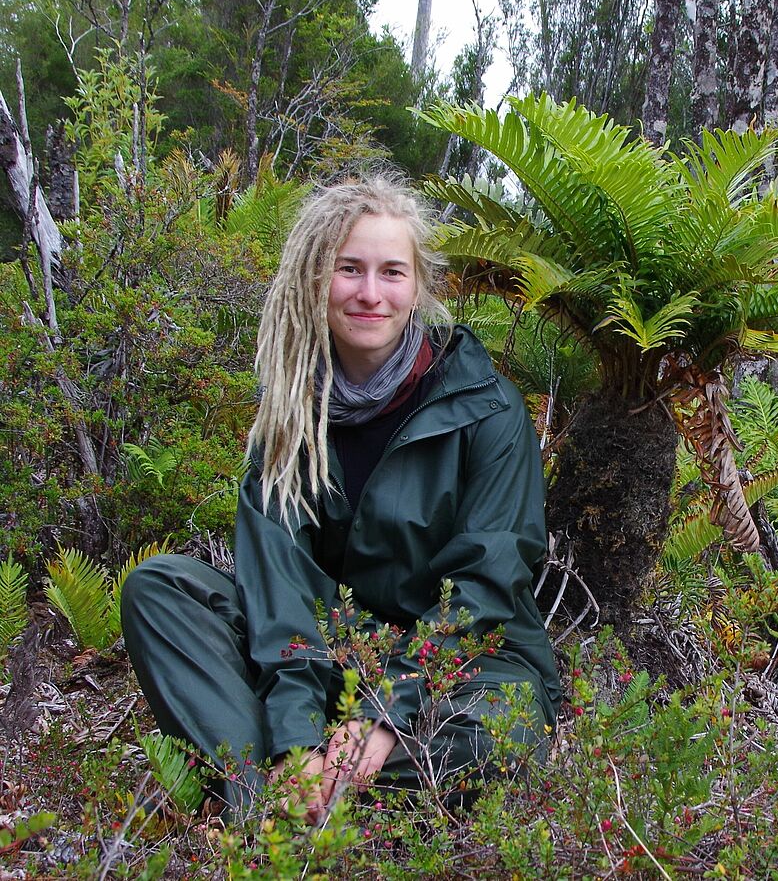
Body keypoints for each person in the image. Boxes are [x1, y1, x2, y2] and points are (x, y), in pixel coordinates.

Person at [122, 175, 561, 818]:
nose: (370, 293)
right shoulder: (291, 416)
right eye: (348, 269)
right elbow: (279, 590)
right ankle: (281, 792)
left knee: (508, 733)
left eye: (392, 272)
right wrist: (297, 736)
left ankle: (291, 794)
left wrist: (386, 713)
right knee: (162, 591)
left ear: (418, 288)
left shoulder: (488, 410)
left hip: (462, 664)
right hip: (336, 650)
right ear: (314, 280)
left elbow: (486, 584)